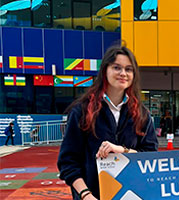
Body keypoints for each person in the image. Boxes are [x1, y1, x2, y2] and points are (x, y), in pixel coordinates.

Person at [57, 45, 158, 200]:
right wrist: (86, 195)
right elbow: (67, 163)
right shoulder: (81, 111)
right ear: (105, 70)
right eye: (117, 67)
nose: (123, 73)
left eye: (129, 69)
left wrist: (122, 150)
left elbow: (150, 157)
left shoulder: (142, 114)